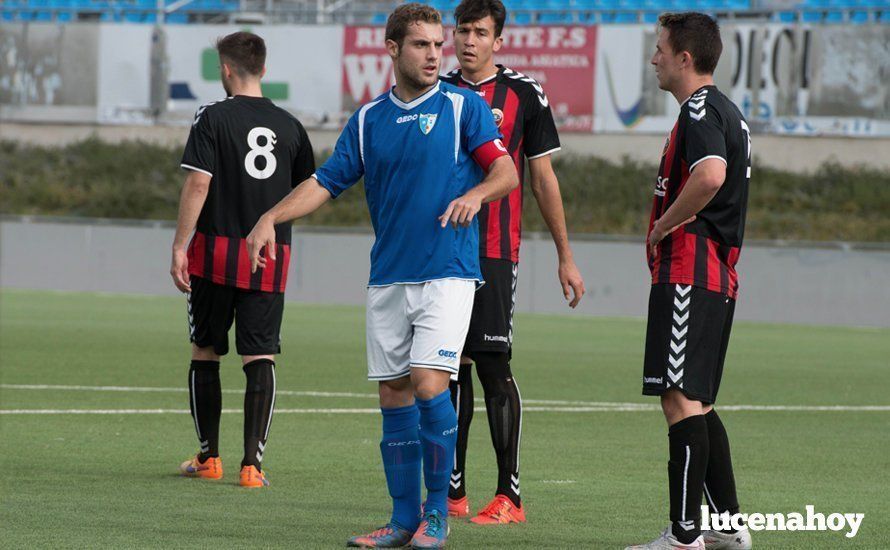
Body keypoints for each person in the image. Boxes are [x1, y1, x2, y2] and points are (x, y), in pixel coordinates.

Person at [245, 4, 518, 548]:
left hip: (448, 272)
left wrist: (474, 195)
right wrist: (270, 216)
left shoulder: (464, 106)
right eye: (422, 45)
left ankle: (437, 514)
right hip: (389, 276)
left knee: (428, 384)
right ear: (392, 49)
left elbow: (506, 171)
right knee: (392, 395)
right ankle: (401, 519)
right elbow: (325, 181)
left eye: (439, 45)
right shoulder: (369, 120)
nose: (436, 55)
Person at [439, 0, 585, 525]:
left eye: (480, 32)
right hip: (441, 249)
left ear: (498, 40)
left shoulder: (525, 93)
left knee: (493, 365)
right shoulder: (440, 90)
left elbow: (542, 178)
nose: (469, 41)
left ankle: (510, 496)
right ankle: (451, 490)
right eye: (462, 31)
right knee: (446, 367)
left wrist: (565, 256)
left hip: (495, 250)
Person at [626, 12, 753, 550]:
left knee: (678, 400)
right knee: (698, 401)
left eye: (660, 49)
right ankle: (729, 530)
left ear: (684, 57)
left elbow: (710, 174)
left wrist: (663, 223)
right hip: (712, 272)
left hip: (691, 269)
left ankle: (683, 536)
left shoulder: (700, 108)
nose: (654, 58)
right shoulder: (727, 111)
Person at [170, 31, 315, 489]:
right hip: (269, 255)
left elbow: (198, 184)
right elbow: (306, 189)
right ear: (264, 70)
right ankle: (252, 465)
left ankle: (210, 457)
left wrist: (179, 244)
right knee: (261, 355)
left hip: (214, 254)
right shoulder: (291, 126)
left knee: (205, 350)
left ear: (226, 70)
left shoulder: (211, 116)